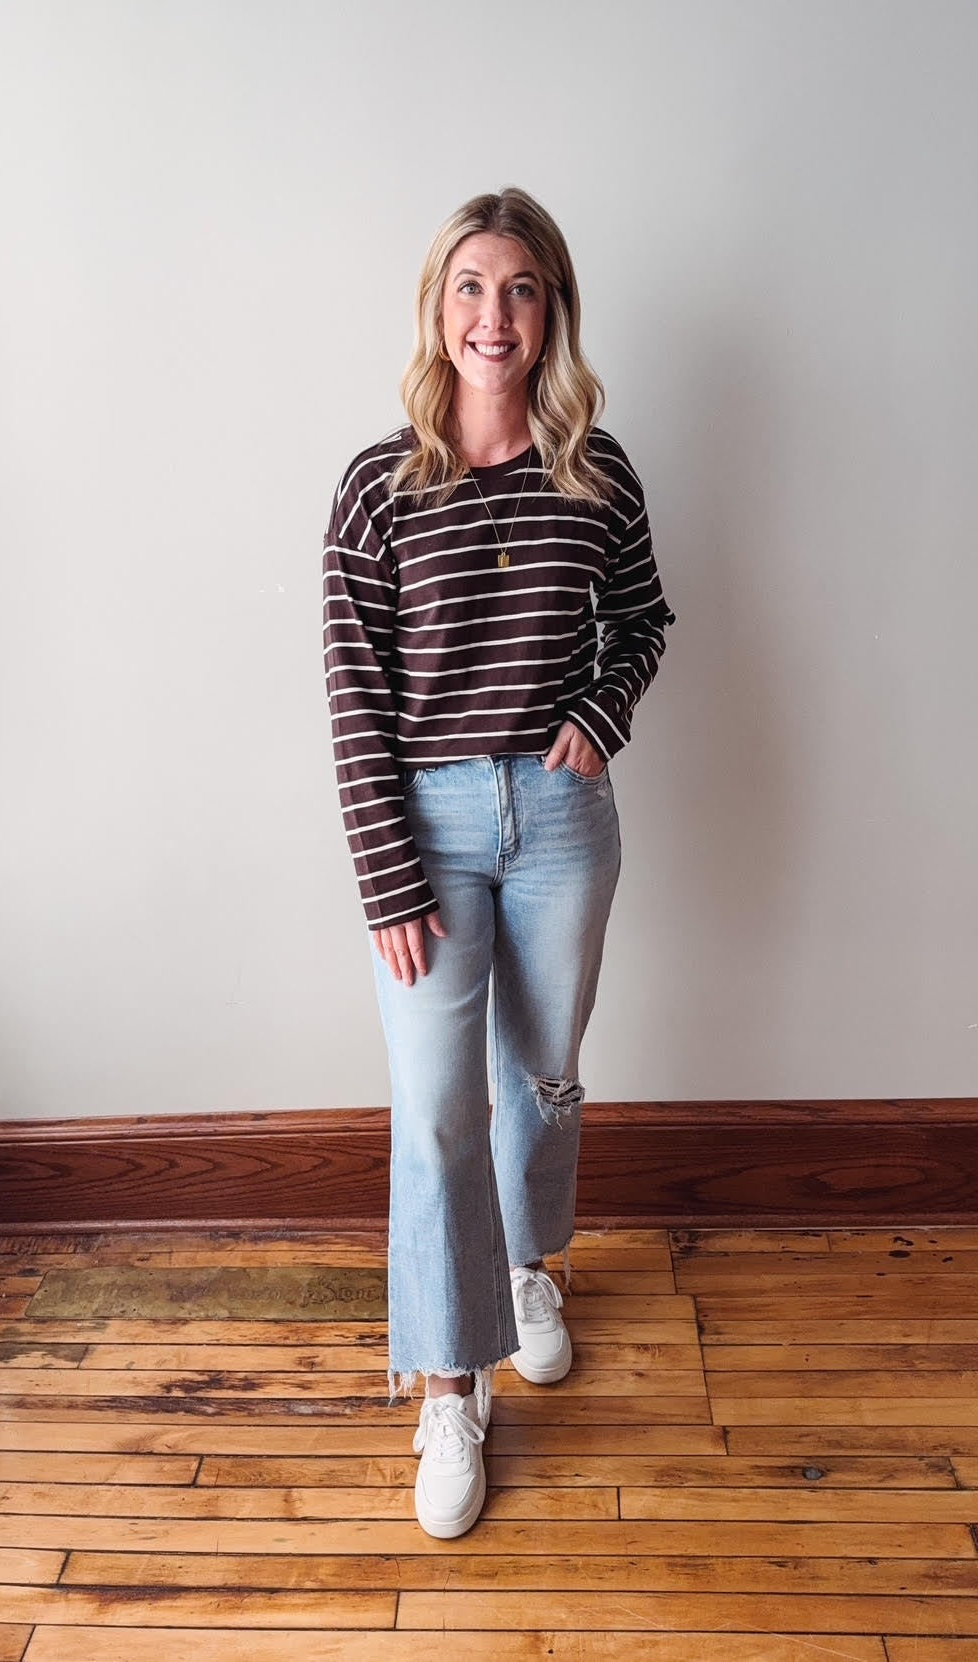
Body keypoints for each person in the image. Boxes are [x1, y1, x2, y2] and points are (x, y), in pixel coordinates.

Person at [322, 186, 674, 1538]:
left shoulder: (597, 466)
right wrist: (387, 874)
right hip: (426, 823)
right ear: (438, 309)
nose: (494, 314)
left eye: (521, 287)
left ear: (552, 310)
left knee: (542, 1075)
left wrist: (597, 713)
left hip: (563, 819)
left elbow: (642, 618)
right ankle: (450, 1387)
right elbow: (355, 690)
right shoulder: (378, 482)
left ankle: (536, 1266)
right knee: (435, 1109)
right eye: (471, 286)